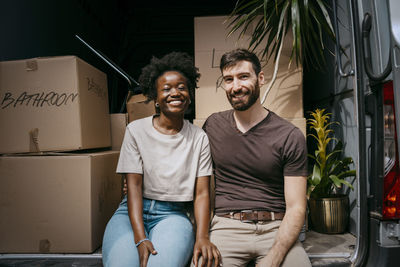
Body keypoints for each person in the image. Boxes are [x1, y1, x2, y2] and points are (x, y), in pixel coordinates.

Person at [102, 52, 220, 267]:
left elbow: (202, 193)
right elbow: (134, 187)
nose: (175, 93)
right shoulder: (136, 130)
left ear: (190, 95)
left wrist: (202, 237)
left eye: (182, 87)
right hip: (130, 214)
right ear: (155, 99)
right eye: (166, 89)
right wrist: (140, 237)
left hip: (173, 215)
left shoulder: (199, 137)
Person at [201, 48, 311, 267]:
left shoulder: (289, 135)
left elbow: (297, 207)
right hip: (226, 227)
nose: (236, 86)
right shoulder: (213, 126)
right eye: (228, 79)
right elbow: (193, 173)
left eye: (243, 77)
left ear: (260, 78)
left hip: (276, 228)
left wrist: (274, 257)